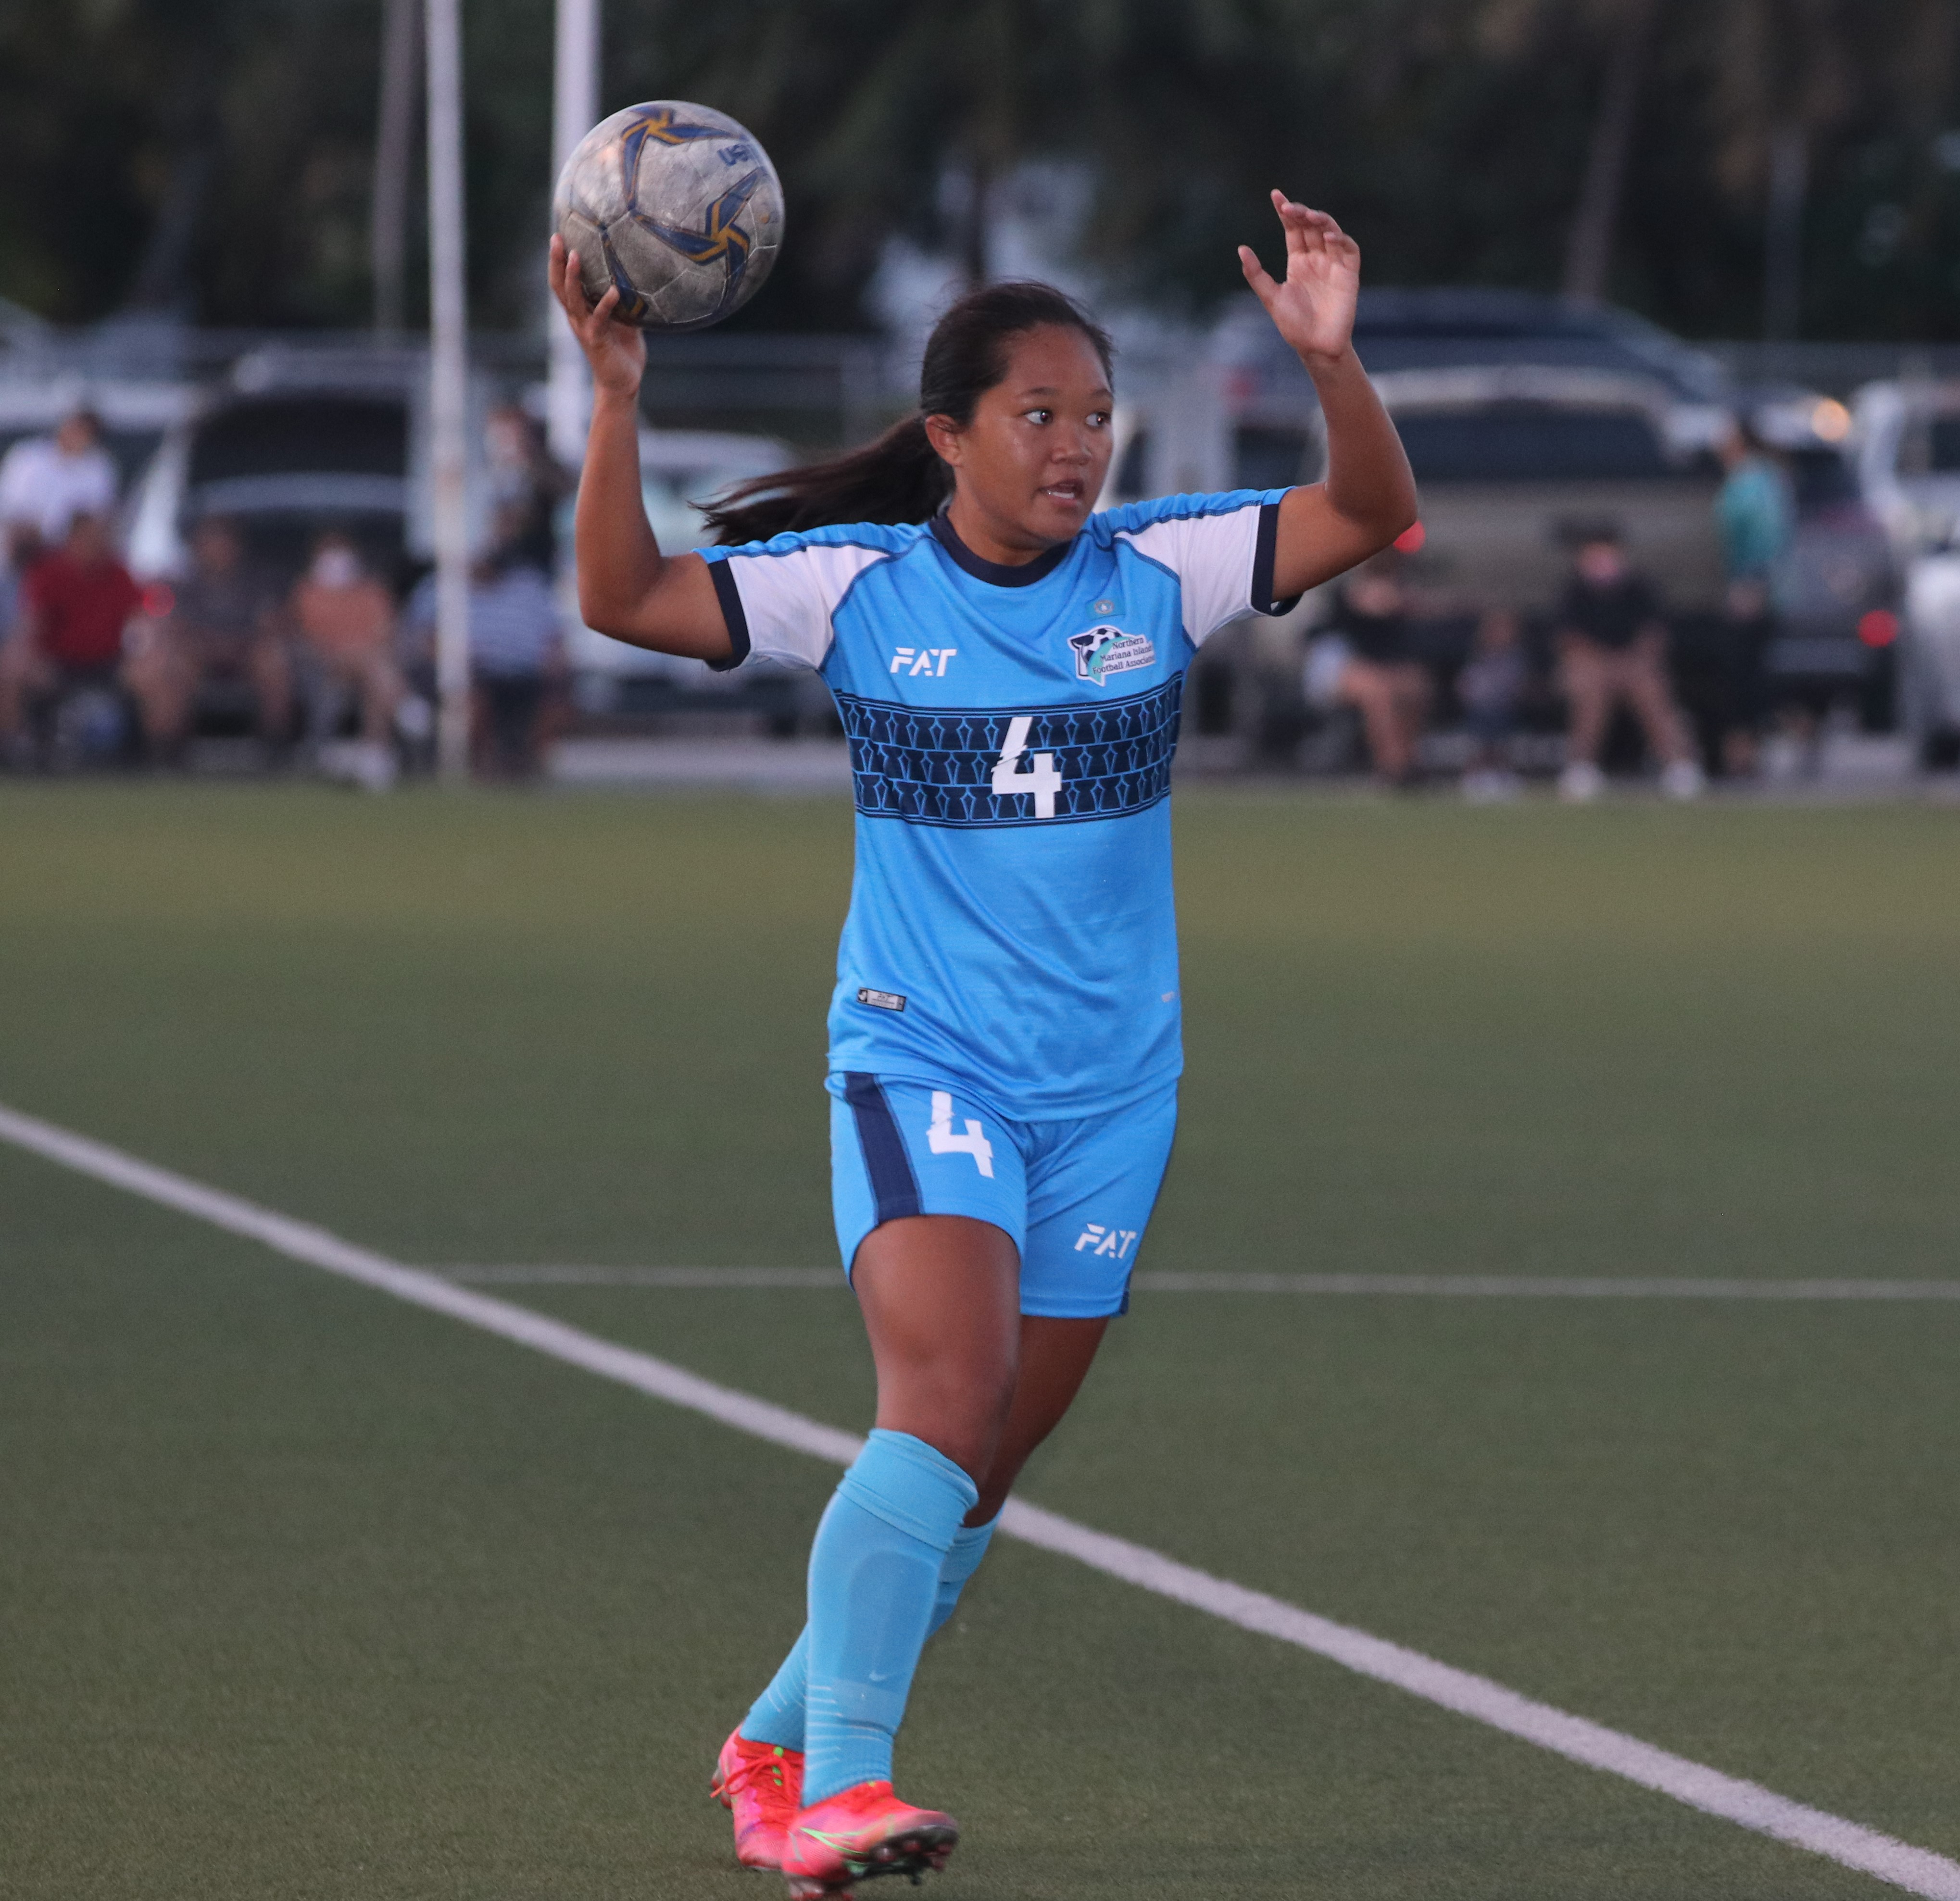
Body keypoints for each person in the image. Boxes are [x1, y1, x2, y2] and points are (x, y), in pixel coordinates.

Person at [551, 186, 1417, 1897]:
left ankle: (773, 1739)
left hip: (1113, 1094)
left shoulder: (1160, 570)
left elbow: (1372, 513)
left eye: (1096, 415)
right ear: (948, 433)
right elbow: (622, 595)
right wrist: (615, 401)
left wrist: (1332, 362)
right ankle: (838, 1795)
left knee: (984, 1459)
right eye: (1039, 416)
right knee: (939, 1396)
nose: (1078, 446)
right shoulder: (853, 585)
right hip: (921, 1057)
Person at [405, 518, 565, 778]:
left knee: (555, 700)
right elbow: (422, 640)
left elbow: (555, 640)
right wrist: (457, 657)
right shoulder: (441, 587)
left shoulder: (529, 585)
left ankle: (528, 767)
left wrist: (555, 667)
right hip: (474, 671)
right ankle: (482, 769)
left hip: (527, 673)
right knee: (474, 698)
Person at [1552, 529, 1702, 801]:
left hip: (1634, 664)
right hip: (1592, 665)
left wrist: (1629, 662)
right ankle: (1581, 768)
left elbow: (1654, 635)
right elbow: (1569, 640)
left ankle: (1679, 767)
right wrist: (1603, 663)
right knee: (1590, 693)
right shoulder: (1573, 591)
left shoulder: (1640, 588)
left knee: (1652, 691)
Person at [128, 515, 291, 762]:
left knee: (274, 663)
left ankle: (274, 749)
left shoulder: (257, 582)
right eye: (210, 542)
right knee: (176, 667)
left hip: (246, 651)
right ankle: (168, 751)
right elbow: (172, 625)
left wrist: (239, 643)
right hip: (199, 653)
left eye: (223, 542)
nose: (217, 550)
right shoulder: (183, 585)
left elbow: (271, 623)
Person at [0, 512, 141, 763]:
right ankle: (16, 750)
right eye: (89, 537)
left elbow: (141, 622)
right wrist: (24, 656)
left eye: (101, 537)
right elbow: (33, 626)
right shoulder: (49, 573)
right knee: (11, 671)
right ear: (72, 539)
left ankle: (158, 756)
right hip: (59, 663)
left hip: (109, 663)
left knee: (159, 674)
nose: (97, 543)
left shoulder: (119, 574)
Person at [1713, 418, 1795, 777]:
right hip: (1750, 587)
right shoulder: (1754, 479)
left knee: (1746, 676)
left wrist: (1753, 584)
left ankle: (1761, 740)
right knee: (1747, 673)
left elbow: (1766, 538)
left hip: (1754, 591)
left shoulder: (1754, 482)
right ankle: (1751, 745)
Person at [1318, 552, 1430, 783]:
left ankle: (1410, 759)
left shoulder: (1403, 589)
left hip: (1384, 666)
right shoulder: (1346, 590)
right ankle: (1392, 766)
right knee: (1380, 695)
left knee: (1415, 686)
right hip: (1343, 665)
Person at [289, 532, 402, 757]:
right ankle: (404, 706)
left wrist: (360, 649)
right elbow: (308, 638)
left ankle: (374, 754)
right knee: (374, 669)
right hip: (323, 666)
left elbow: (385, 631)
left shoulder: (372, 592)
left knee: (374, 677)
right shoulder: (307, 593)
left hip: (370, 666)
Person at [0, 408, 119, 562]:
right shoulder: (27, 458)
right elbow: (7, 504)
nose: (77, 436)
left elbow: (100, 518)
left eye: (85, 433)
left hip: (67, 558)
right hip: (17, 549)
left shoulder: (100, 469)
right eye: (75, 428)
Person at [1457, 609, 1528, 800]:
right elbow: (1465, 685)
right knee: (1481, 741)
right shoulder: (1477, 658)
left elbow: (1520, 686)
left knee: (1501, 742)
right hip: (1480, 710)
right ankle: (1474, 774)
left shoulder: (1516, 659)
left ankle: (1502, 772)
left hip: (1505, 710)